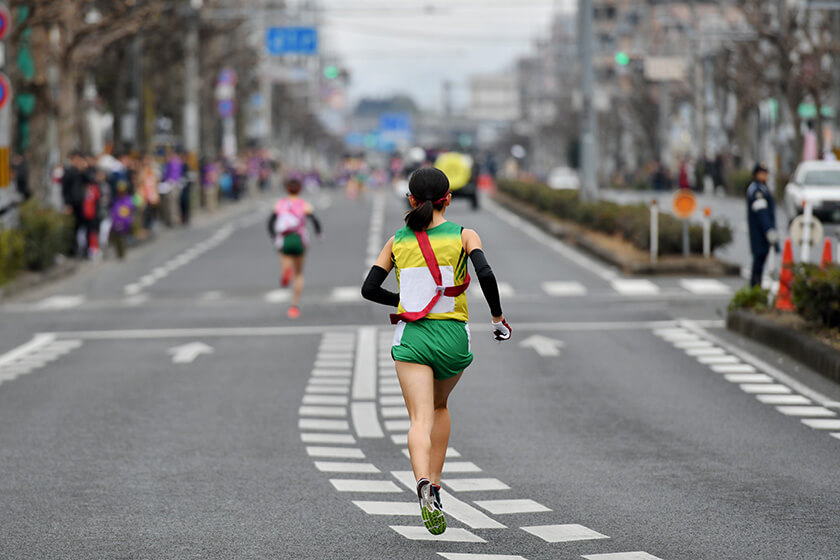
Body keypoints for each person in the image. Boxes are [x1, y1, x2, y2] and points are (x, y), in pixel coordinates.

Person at [360, 167, 512, 536]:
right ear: (448, 199)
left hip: (413, 336)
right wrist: (497, 318)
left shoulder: (397, 240)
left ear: (411, 200)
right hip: (453, 337)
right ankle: (439, 484)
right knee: (441, 406)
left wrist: (407, 300)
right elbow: (486, 275)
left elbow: (369, 289)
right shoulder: (464, 235)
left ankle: (423, 482)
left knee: (419, 419)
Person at [267, 178, 322, 319]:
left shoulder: (280, 204)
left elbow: (271, 221)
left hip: (284, 239)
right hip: (299, 239)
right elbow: (314, 220)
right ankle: (294, 306)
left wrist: (273, 236)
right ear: (300, 189)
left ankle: (286, 273)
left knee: (285, 263)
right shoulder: (304, 205)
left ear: (287, 189)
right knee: (299, 274)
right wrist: (318, 233)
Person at [746, 162, 779, 287]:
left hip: (761, 231)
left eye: (765, 173)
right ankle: (755, 286)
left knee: (761, 259)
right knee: (758, 260)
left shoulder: (761, 188)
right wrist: (769, 229)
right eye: (762, 173)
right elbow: (762, 212)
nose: (764, 176)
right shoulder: (757, 190)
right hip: (759, 232)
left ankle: (756, 286)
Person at [109, 181, 134, 260]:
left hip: (124, 223)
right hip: (116, 222)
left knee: (121, 238)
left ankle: (122, 253)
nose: (120, 193)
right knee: (115, 238)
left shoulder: (127, 200)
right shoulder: (116, 200)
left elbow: (128, 212)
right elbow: (114, 211)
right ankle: (118, 253)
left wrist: (126, 222)